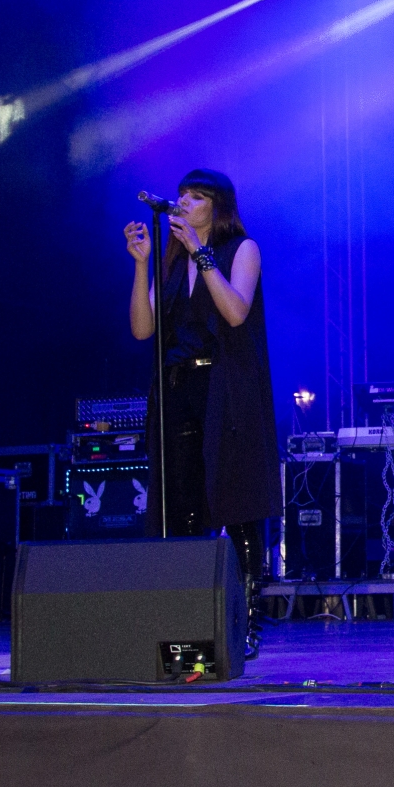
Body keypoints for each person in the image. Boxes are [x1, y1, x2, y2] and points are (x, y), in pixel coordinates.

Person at [125, 168, 281, 659]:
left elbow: (235, 312)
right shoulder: (171, 262)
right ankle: (192, 620)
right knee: (183, 505)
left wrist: (200, 252)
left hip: (225, 390)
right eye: (181, 196)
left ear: (218, 205)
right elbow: (142, 330)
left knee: (237, 504)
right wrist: (141, 265)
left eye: (195, 197)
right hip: (179, 390)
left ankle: (248, 620)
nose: (184, 203)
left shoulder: (242, 250)